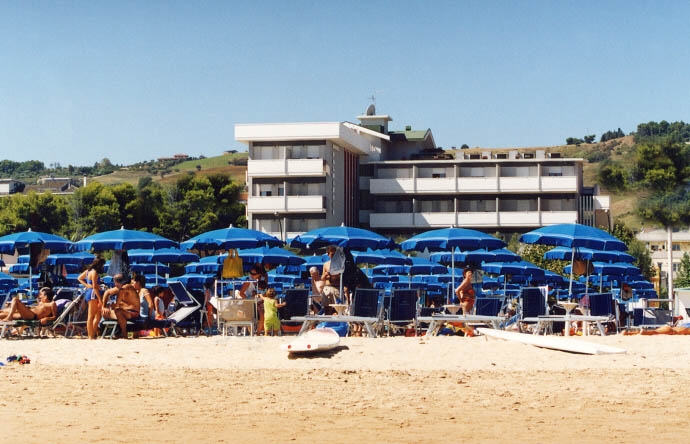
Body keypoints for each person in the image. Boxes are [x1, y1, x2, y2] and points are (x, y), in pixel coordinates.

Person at [78, 257, 106, 340]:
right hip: (93, 294)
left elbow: (79, 278)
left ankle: (92, 333)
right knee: (91, 316)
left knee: (97, 315)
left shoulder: (88, 271)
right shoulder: (95, 273)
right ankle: (90, 335)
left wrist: (86, 285)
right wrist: (100, 300)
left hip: (89, 293)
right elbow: (95, 287)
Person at [321, 245, 341, 314]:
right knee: (327, 309)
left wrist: (334, 275)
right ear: (328, 254)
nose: (334, 256)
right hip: (327, 288)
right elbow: (322, 278)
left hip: (337, 288)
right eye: (332, 254)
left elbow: (342, 277)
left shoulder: (340, 265)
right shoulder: (326, 264)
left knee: (338, 309)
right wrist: (326, 275)